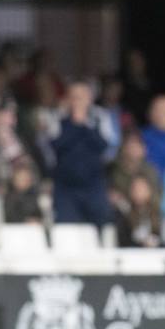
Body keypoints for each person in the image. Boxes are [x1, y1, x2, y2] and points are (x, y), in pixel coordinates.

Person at [50, 81, 110, 228]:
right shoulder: (57, 117)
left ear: (90, 98)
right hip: (66, 186)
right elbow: (55, 146)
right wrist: (75, 124)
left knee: (103, 224)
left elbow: (104, 146)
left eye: (81, 97)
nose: (77, 101)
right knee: (66, 228)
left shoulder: (100, 117)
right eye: (74, 97)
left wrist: (85, 125)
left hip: (94, 184)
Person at [117, 175, 165, 248]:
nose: (138, 192)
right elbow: (122, 243)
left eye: (142, 188)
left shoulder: (159, 215)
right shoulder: (124, 215)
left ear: (149, 190)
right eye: (135, 189)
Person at [3, 160, 44, 225]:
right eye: (22, 179)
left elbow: (39, 215)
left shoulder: (34, 196)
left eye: (27, 178)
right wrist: (26, 221)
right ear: (14, 180)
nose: (25, 181)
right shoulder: (9, 197)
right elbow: (9, 217)